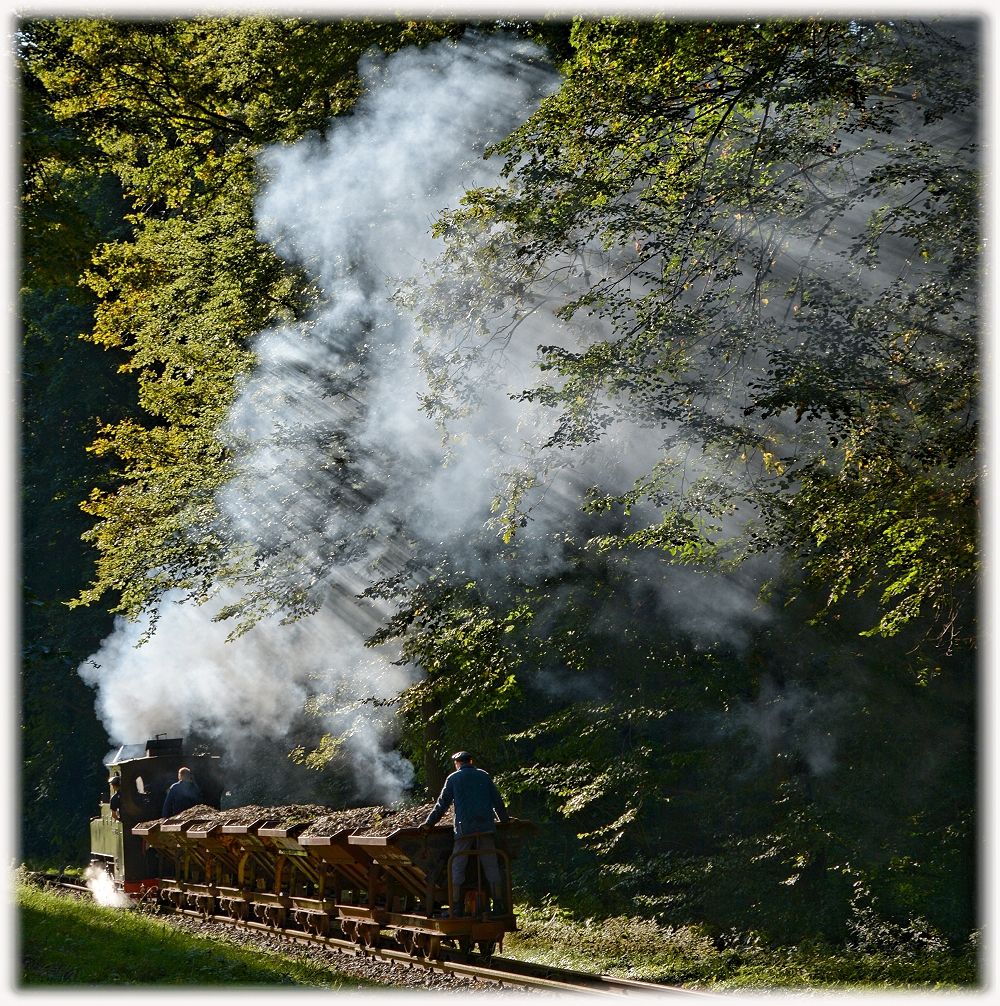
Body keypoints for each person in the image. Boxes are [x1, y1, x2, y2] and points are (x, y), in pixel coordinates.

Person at [420, 751, 510, 917]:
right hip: (486, 829)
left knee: (457, 866)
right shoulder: (484, 776)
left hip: (464, 831)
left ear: (457, 764)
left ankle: (457, 907)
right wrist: (504, 820)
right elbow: (497, 801)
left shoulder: (453, 778)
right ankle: (498, 904)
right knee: (491, 865)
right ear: (471, 761)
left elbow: (442, 804)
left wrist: (429, 823)